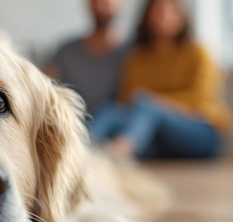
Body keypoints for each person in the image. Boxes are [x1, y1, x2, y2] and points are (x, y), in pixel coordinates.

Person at [90, 0, 232, 159]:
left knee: (145, 105)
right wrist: (147, 107)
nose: (164, 16)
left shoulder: (198, 53)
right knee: (109, 111)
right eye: (158, 11)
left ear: (182, 16)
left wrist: (154, 104)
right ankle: (82, 151)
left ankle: (122, 151)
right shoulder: (136, 59)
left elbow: (199, 98)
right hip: (158, 135)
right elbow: (127, 101)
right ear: (147, 17)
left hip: (200, 129)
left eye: (171, 11)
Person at [43, 0, 128, 114]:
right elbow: (43, 85)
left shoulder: (132, 52)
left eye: (108, 3)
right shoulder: (67, 51)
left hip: (115, 123)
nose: (102, 7)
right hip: (73, 119)